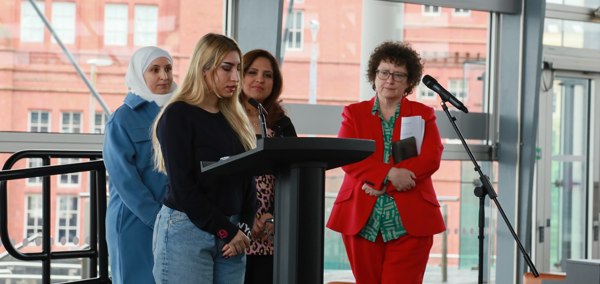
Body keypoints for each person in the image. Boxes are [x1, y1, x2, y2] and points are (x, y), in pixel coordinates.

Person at [326, 41, 446, 284]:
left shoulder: (423, 114)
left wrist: (387, 185)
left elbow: (431, 157)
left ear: (409, 81)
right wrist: (390, 175)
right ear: (375, 75)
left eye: (398, 74)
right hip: (362, 218)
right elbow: (348, 156)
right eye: (384, 72)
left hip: (411, 219)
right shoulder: (353, 113)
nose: (390, 79)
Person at [151, 33, 258, 284]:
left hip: (232, 235)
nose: (235, 77)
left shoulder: (235, 118)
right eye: (226, 68)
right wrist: (227, 231)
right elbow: (183, 187)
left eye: (238, 69)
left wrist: (241, 229)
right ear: (204, 68)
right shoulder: (177, 115)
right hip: (187, 230)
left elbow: (247, 183)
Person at [103, 46, 177, 284]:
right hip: (134, 220)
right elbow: (124, 179)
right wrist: (156, 218)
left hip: (174, 218)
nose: (164, 76)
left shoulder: (180, 113)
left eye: (168, 69)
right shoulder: (122, 118)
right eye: (154, 70)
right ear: (139, 74)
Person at [239, 49, 297, 284]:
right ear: (239, 76)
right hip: (235, 228)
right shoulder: (224, 119)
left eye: (267, 75)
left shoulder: (282, 123)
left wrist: (274, 214)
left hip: (272, 229)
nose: (260, 79)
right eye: (252, 72)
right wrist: (246, 216)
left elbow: (293, 174)